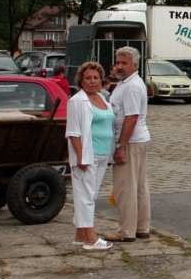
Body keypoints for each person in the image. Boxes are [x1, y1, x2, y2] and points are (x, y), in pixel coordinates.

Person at [65, 61, 114, 251]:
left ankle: (80, 234)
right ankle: (91, 238)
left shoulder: (102, 98)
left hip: (103, 154)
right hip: (88, 155)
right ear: (81, 81)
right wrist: (81, 156)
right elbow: (73, 132)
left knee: (91, 195)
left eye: (96, 78)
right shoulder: (77, 101)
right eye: (88, 78)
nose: (93, 81)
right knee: (85, 196)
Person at [105, 47, 151, 243]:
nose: (120, 66)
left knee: (126, 187)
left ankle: (127, 231)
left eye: (124, 63)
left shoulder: (131, 86)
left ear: (135, 65)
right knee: (139, 186)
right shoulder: (129, 83)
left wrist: (120, 146)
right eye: (118, 63)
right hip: (138, 139)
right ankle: (142, 227)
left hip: (130, 141)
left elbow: (131, 117)